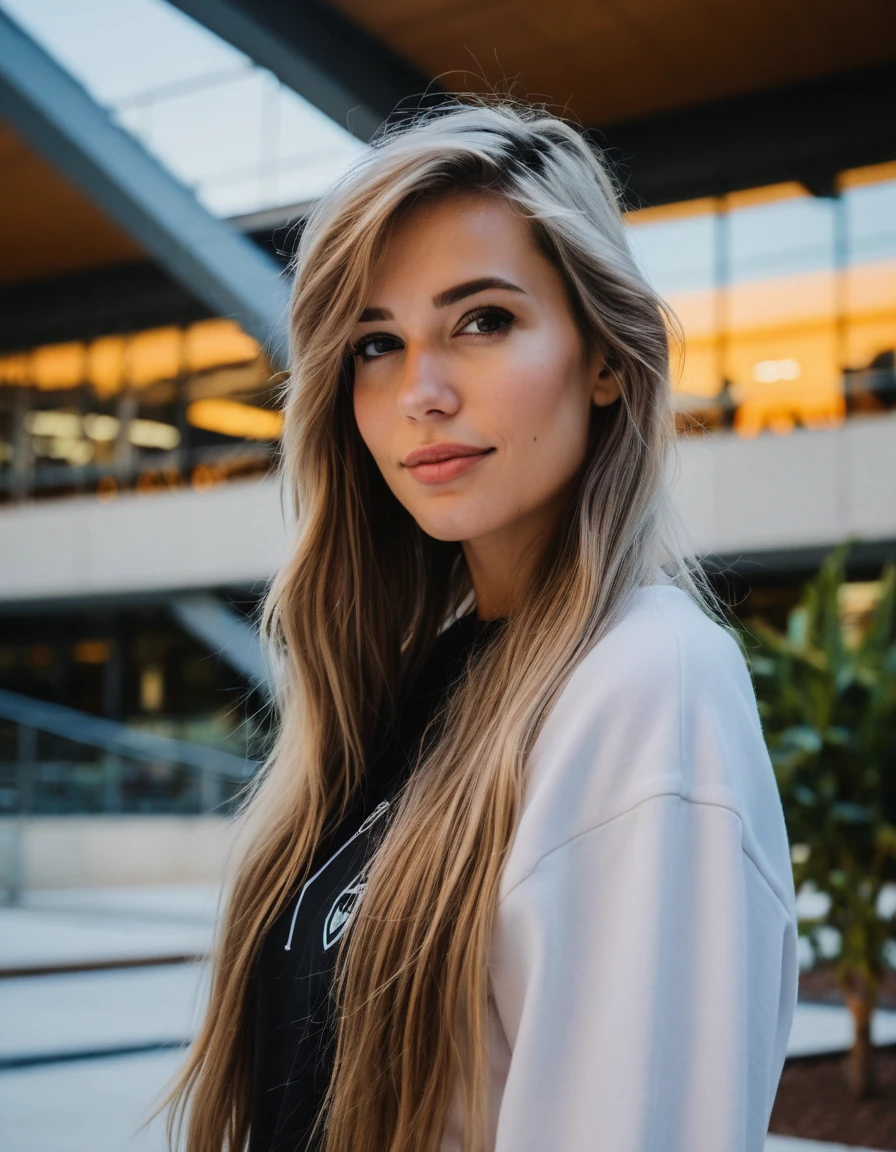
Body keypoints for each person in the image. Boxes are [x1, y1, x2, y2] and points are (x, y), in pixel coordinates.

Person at [164, 99, 799, 1152]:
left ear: (604, 357)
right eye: (376, 342)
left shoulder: (646, 682)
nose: (420, 392)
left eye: (482, 320)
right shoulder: (424, 682)